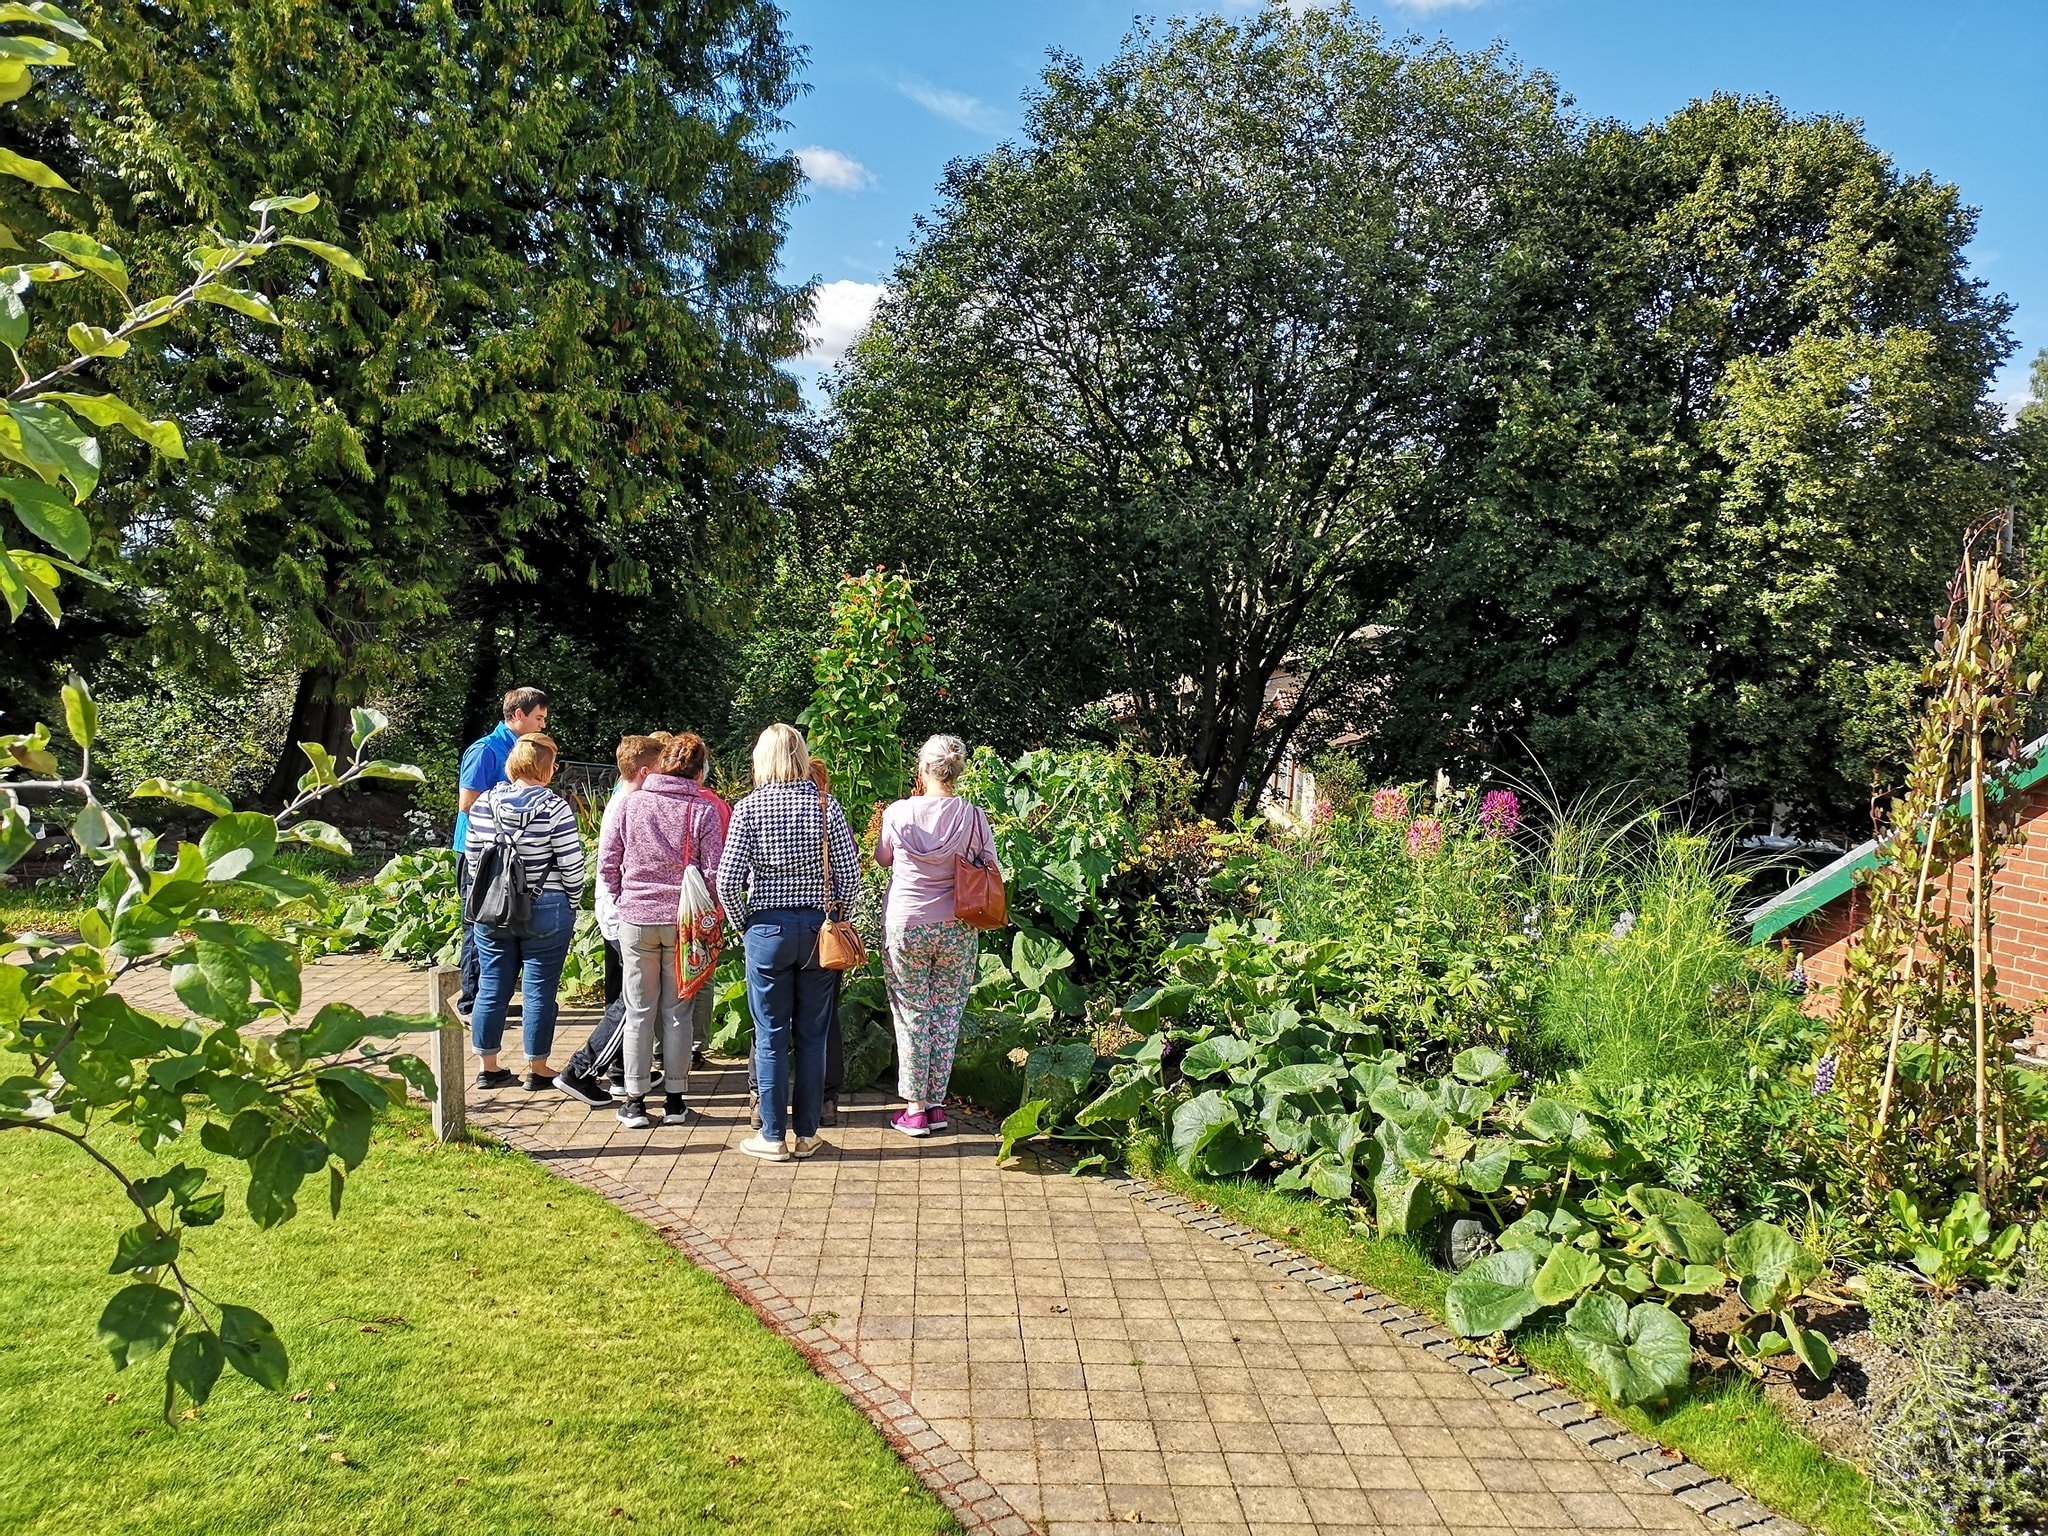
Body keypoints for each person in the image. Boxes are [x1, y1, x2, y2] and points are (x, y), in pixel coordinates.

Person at [716, 724, 859, 1162]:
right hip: (818, 932)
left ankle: (772, 1135)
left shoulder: (749, 807)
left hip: (767, 931)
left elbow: (726, 881)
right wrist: (837, 918)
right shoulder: (824, 805)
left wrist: (745, 926)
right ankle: (808, 1133)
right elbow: (850, 875)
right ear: (801, 754)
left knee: (771, 1034)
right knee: (813, 1036)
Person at [599, 732, 725, 1130]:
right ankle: (675, 1099)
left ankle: (634, 1101)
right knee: (678, 1012)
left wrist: (623, 898)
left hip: (636, 919)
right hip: (683, 923)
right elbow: (715, 872)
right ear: (698, 768)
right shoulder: (702, 810)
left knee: (638, 1010)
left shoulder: (630, 804)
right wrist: (714, 914)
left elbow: (607, 863)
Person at [875, 735, 996, 1137]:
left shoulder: (898, 813)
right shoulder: (974, 817)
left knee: (911, 1013)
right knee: (947, 1013)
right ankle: (937, 1105)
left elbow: (883, 858)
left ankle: (913, 1109)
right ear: (957, 772)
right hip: (957, 925)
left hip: (905, 924)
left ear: (924, 769)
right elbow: (990, 866)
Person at [465, 734, 584, 1091]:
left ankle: (489, 1066)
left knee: (491, 985)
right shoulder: (555, 807)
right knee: (540, 990)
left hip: (493, 908)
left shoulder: (484, 803)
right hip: (546, 907)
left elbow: (474, 859)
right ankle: (538, 1067)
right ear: (547, 769)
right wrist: (572, 902)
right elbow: (571, 865)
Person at [452, 687, 550, 1020]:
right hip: (480, 853)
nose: (542, 726)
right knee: (479, 920)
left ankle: (492, 1001)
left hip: (507, 854)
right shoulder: (486, 750)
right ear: (518, 715)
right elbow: (466, 803)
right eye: (538, 718)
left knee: (502, 923)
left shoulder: (520, 749)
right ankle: (471, 1004)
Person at [594, 734, 664, 1007]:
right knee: (628, 1002)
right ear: (645, 772)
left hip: (624, 911)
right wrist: (625, 901)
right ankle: (593, 1052)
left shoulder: (626, 801)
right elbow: (610, 866)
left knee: (628, 997)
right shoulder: (626, 805)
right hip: (621, 913)